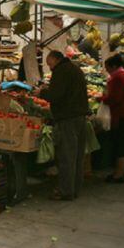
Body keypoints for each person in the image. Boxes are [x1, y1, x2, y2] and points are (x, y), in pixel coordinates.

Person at [38, 50, 89, 200]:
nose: (50, 67)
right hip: (80, 116)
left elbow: (56, 95)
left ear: (55, 59)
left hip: (68, 118)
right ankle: (75, 189)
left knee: (67, 156)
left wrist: (41, 93)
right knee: (78, 156)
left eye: (50, 64)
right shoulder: (75, 68)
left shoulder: (61, 71)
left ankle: (65, 191)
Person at [100, 54, 124, 183]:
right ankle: (120, 172)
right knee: (123, 144)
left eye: (107, 68)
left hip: (123, 116)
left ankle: (119, 175)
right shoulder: (123, 75)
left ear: (114, 66)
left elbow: (114, 99)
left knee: (121, 145)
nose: (106, 70)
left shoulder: (118, 78)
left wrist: (101, 98)